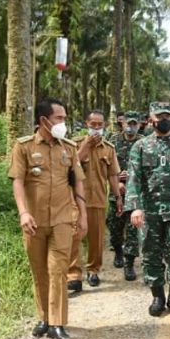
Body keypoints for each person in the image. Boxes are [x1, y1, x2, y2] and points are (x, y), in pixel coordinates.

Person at [8, 97, 88, 339]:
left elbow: (78, 183)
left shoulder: (69, 148)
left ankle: (57, 323)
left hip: (62, 219)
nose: (63, 123)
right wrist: (23, 212)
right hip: (34, 221)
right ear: (44, 120)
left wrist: (83, 215)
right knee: (39, 270)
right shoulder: (23, 147)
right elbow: (17, 182)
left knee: (58, 270)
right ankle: (43, 317)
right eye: (59, 118)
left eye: (64, 118)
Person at [125, 102, 170, 319]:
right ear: (151, 119)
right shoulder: (140, 146)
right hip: (150, 210)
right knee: (150, 253)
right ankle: (157, 296)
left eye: (167, 116)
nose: (164, 120)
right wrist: (135, 207)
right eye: (160, 116)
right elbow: (134, 179)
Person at [67, 111, 123, 291]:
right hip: (75, 200)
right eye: (93, 124)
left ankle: (93, 270)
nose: (97, 128)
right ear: (87, 124)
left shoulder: (109, 148)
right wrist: (86, 146)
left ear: (105, 125)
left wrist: (118, 197)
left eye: (100, 124)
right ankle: (73, 274)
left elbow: (113, 175)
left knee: (96, 238)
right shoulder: (74, 144)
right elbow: (70, 166)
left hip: (98, 199)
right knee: (74, 236)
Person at [106, 111, 144, 281]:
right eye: (128, 123)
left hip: (136, 194)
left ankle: (129, 263)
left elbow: (149, 168)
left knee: (133, 228)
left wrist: (135, 176)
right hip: (117, 192)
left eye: (134, 124)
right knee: (115, 226)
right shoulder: (112, 141)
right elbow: (104, 165)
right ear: (122, 123)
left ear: (139, 125)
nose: (131, 127)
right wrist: (116, 179)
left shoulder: (144, 142)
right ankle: (118, 251)